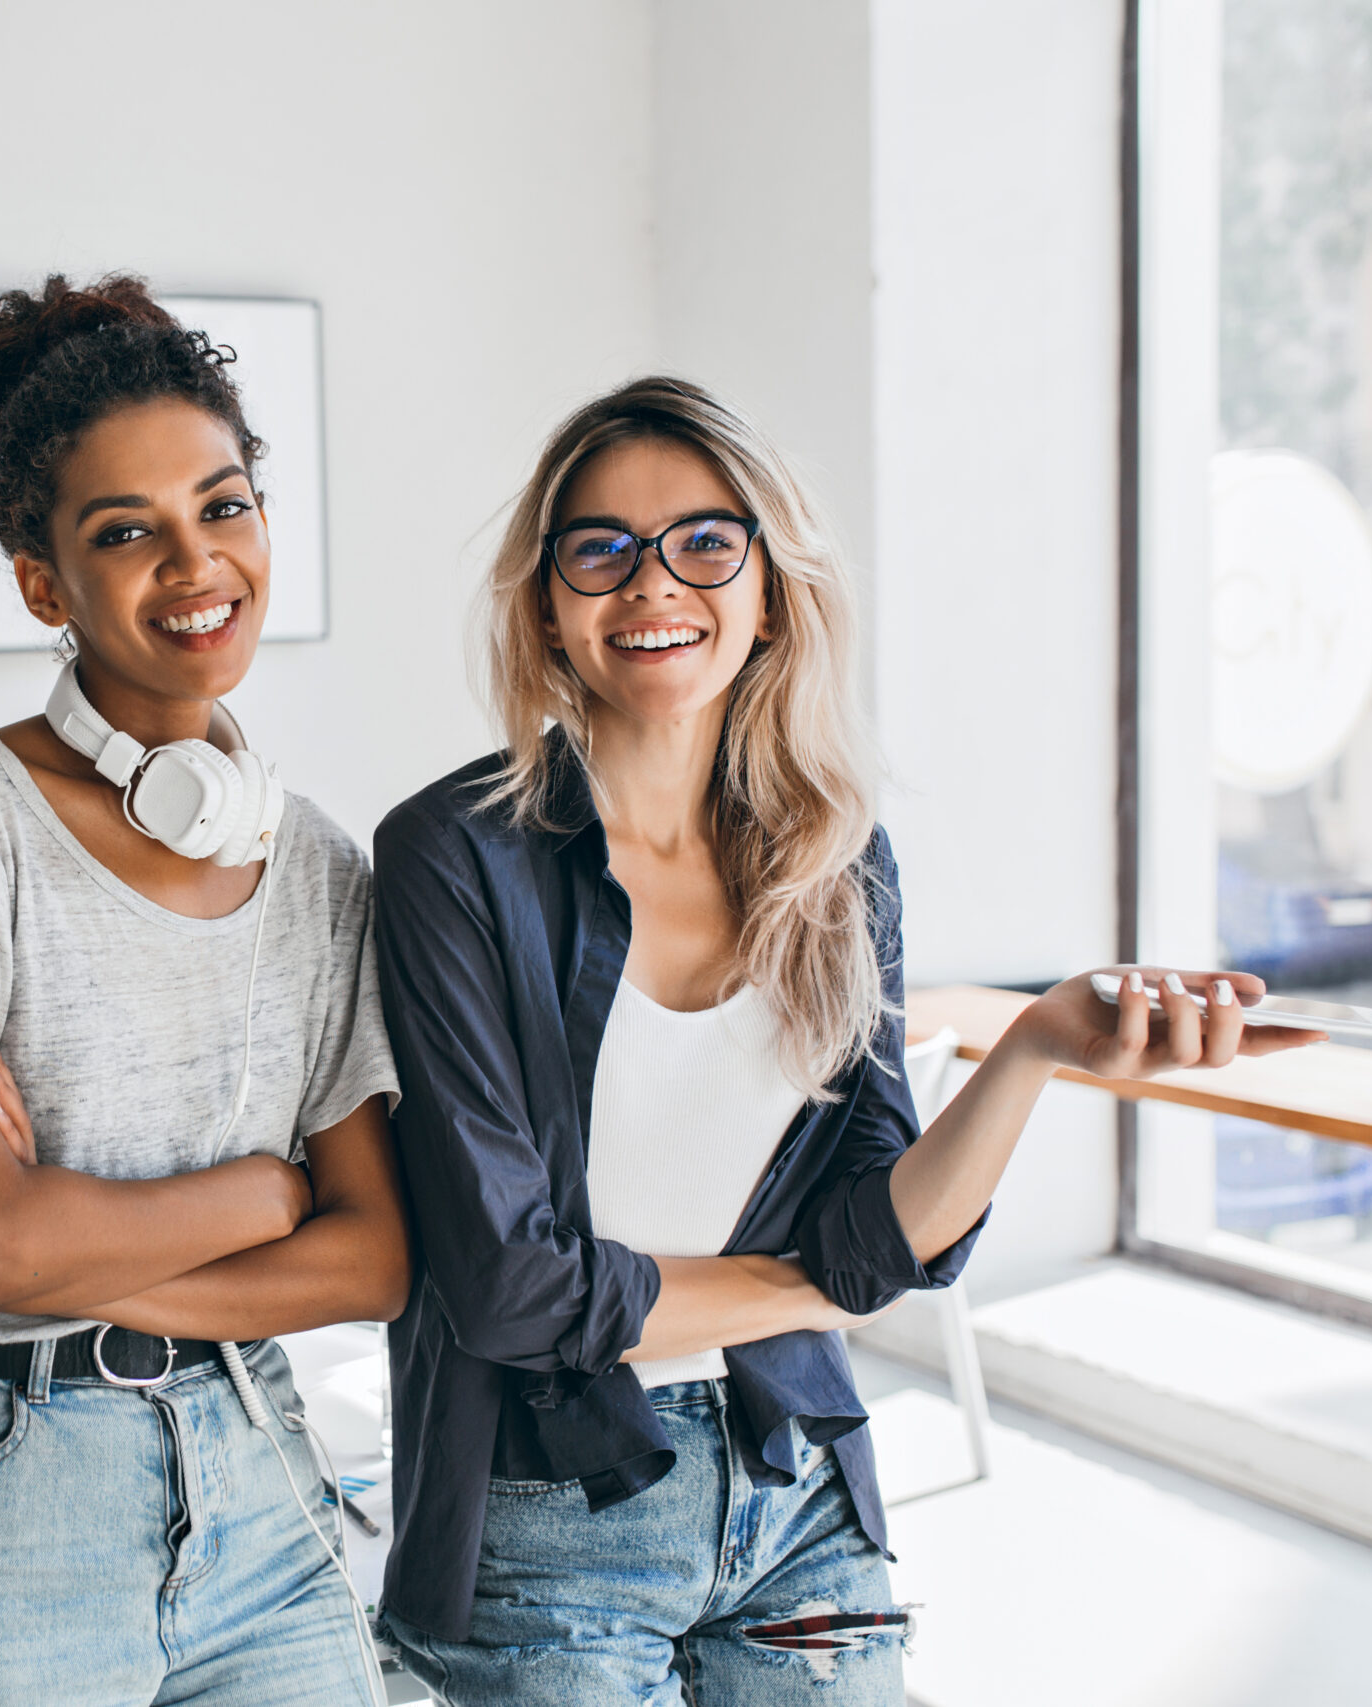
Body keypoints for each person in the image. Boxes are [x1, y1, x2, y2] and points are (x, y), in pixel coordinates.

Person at [370, 376, 1319, 1706]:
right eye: (602, 548)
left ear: (770, 588)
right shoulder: (451, 854)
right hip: (543, 1506)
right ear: (545, 600)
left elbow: (884, 1226)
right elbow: (510, 1289)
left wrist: (1038, 1045)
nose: (654, 583)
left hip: (793, 1482)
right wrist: (823, 1284)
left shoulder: (836, 854)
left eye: (707, 542)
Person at [0, 275, 408, 1707]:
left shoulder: (318, 864)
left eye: (225, 506)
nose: (196, 561)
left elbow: (380, 1257)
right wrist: (268, 1193)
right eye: (125, 531)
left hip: (259, 1470)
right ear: (42, 582)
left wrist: (63, 1238)